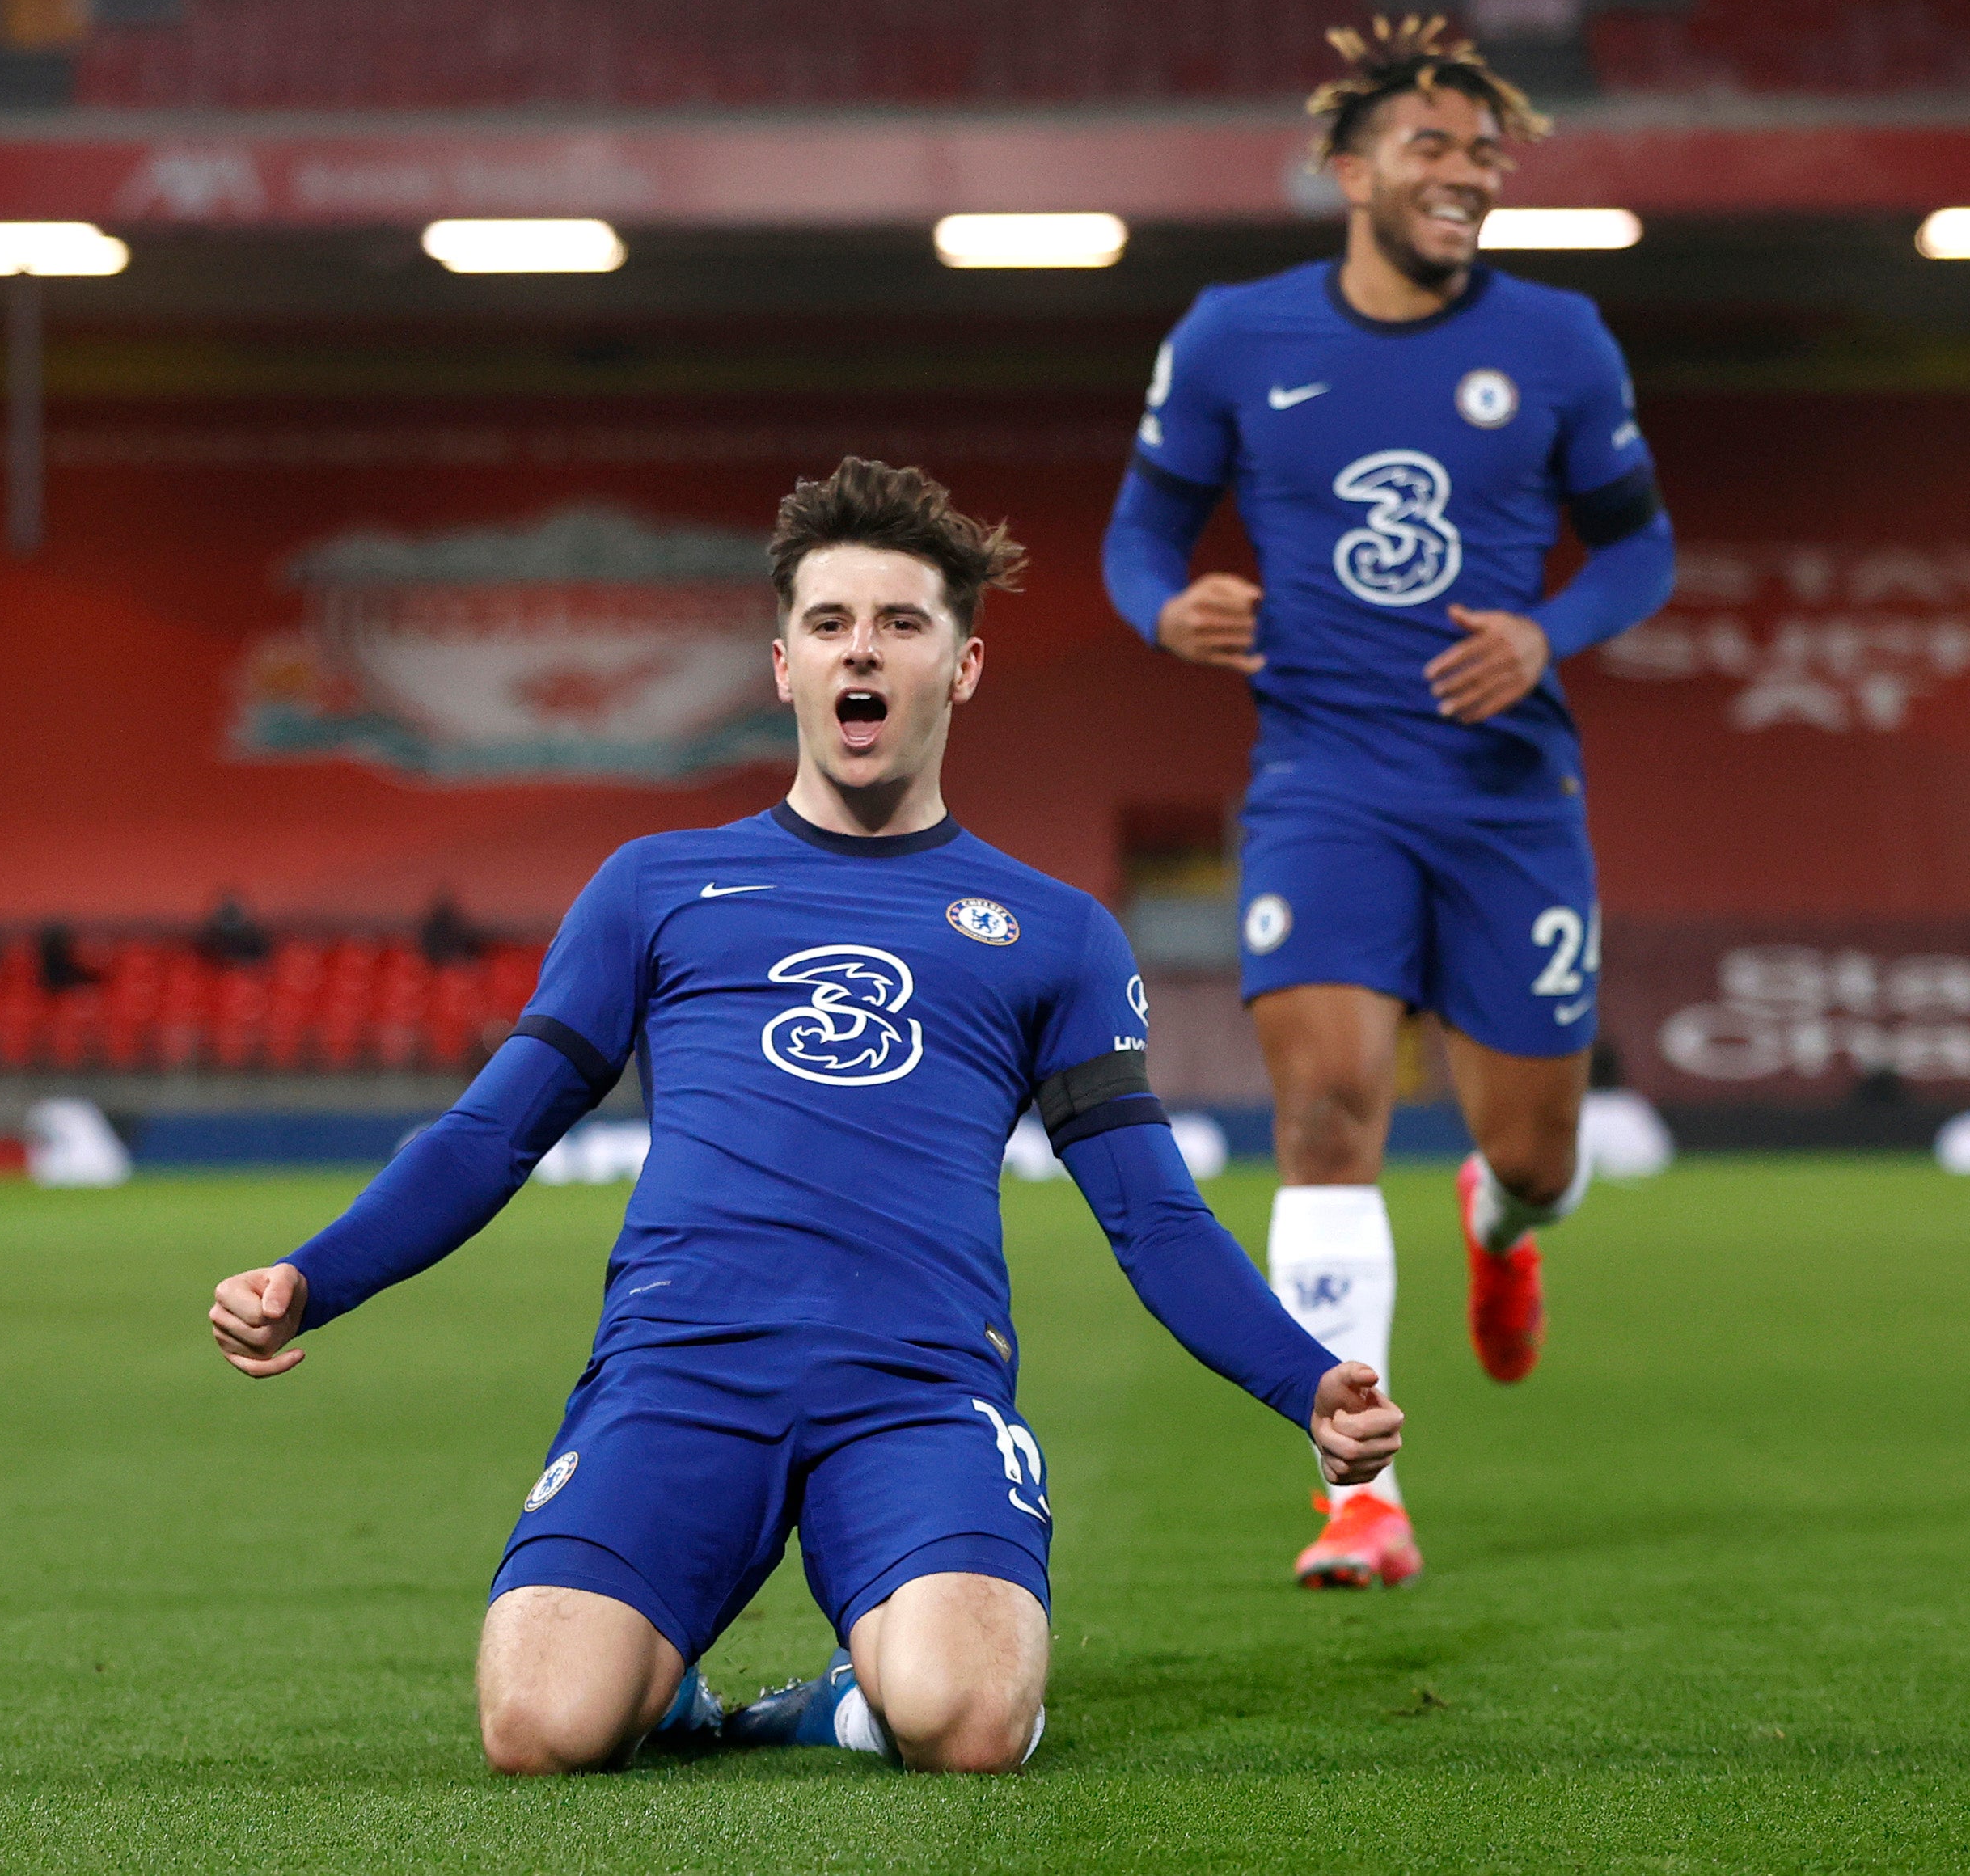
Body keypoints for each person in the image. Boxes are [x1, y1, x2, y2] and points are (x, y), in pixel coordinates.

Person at [210, 458, 1403, 1776]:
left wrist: (1302, 1381)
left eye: (902, 623)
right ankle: (658, 1685)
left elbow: (1151, 1215)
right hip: (679, 1370)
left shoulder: (1056, 934)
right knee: (539, 1729)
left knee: (971, 1720)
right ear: (782, 666)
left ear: (963, 667)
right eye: (830, 623)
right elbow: (493, 1134)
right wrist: (312, 1279)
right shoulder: (653, 886)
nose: (863, 651)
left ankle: (839, 1697)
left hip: (916, 1386)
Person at [1101, 18, 1675, 1591]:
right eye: (1432, 148)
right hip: (1319, 780)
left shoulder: (1559, 341)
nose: (1466, 176)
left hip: (1506, 796)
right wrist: (1166, 610)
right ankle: (1358, 1493)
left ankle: (1502, 1220)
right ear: (1347, 169)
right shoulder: (1232, 336)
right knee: (1325, 1114)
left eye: (1484, 155)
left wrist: (1545, 631)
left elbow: (1639, 549)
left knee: (1542, 1152)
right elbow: (1135, 535)